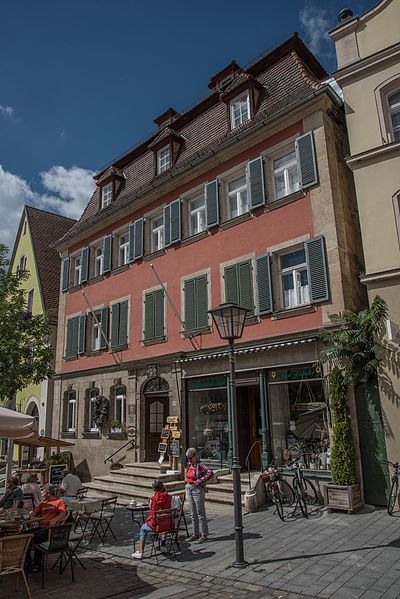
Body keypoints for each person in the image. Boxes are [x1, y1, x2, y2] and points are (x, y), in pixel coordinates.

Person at [131, 479, 179, 559]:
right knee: (164, 521)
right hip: (168, 524)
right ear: (162, 487)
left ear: (153, 489)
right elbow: (174, 508)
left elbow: (150, 508)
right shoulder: (171, 497)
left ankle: (141, 552)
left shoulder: (152, 499)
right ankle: (163, 545)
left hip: (156, 525)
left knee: (143, 528)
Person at [29, 484, 68, 572]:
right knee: (24, 535)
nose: (42, 494)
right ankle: (27, 562)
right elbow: (34, 514)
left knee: (38, 537)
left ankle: (37, 564)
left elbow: (63, 513)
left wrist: (55, 519)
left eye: (44, 492)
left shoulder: (59, 501)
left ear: (48, 493)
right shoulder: (43, 503)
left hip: (50, 529)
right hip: (40, 527)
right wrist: (29, 516)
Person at [185, 447, 214, 544]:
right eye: (188, 458)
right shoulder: (189, 465)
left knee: (200, 513)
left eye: (190, 458)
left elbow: (210, 472)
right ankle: (195, 534)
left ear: (195, 456)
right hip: (189, 488)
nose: (189, 460)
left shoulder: (200, 465)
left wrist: (200, 480)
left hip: (197, 490)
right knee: (192, 513)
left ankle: (204, 535)